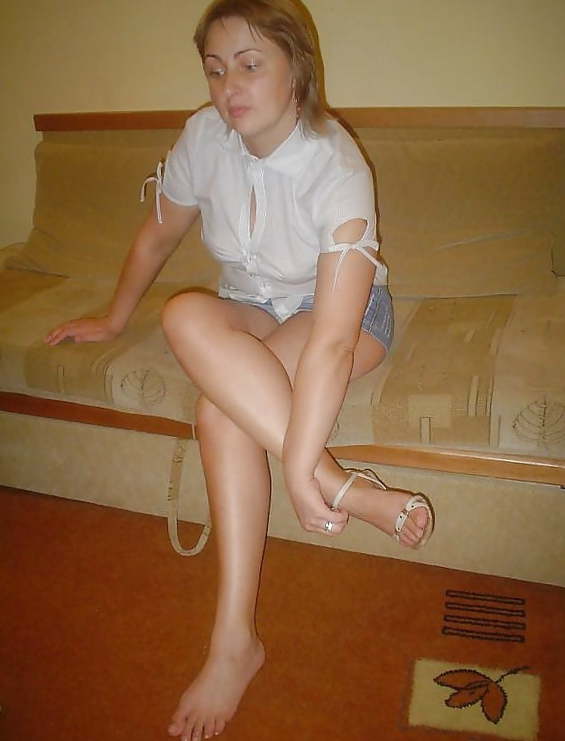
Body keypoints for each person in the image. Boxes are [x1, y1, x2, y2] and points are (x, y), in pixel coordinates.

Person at [45, 1, 434, 738]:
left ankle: (233, 643)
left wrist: (296, 473)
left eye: (250, 65)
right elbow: (158, 234)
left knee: (219, 411)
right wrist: (114, 317)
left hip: (339, 317)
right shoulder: (204, 137)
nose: (229, 87)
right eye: (215, 69)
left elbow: (329, 344)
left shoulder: (335, 165)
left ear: (296, 72)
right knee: (184, 314)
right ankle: (345, 486)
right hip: (250, 308)